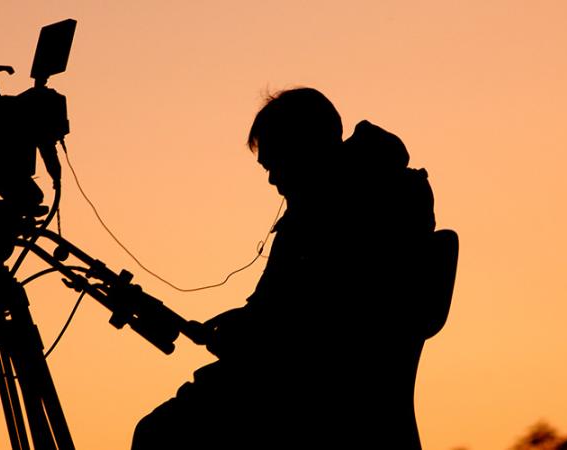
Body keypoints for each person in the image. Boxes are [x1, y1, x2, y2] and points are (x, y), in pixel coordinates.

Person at [132, 87, 449, 449]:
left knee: (158, 434)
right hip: (338, 385)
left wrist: (243, 335)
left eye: (274, 164)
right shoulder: (388, 192)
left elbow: (316, 320)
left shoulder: (328, 215)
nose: (271, 180)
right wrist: (242, 322)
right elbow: (292, 304)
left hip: (311, 394)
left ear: (303, 148)